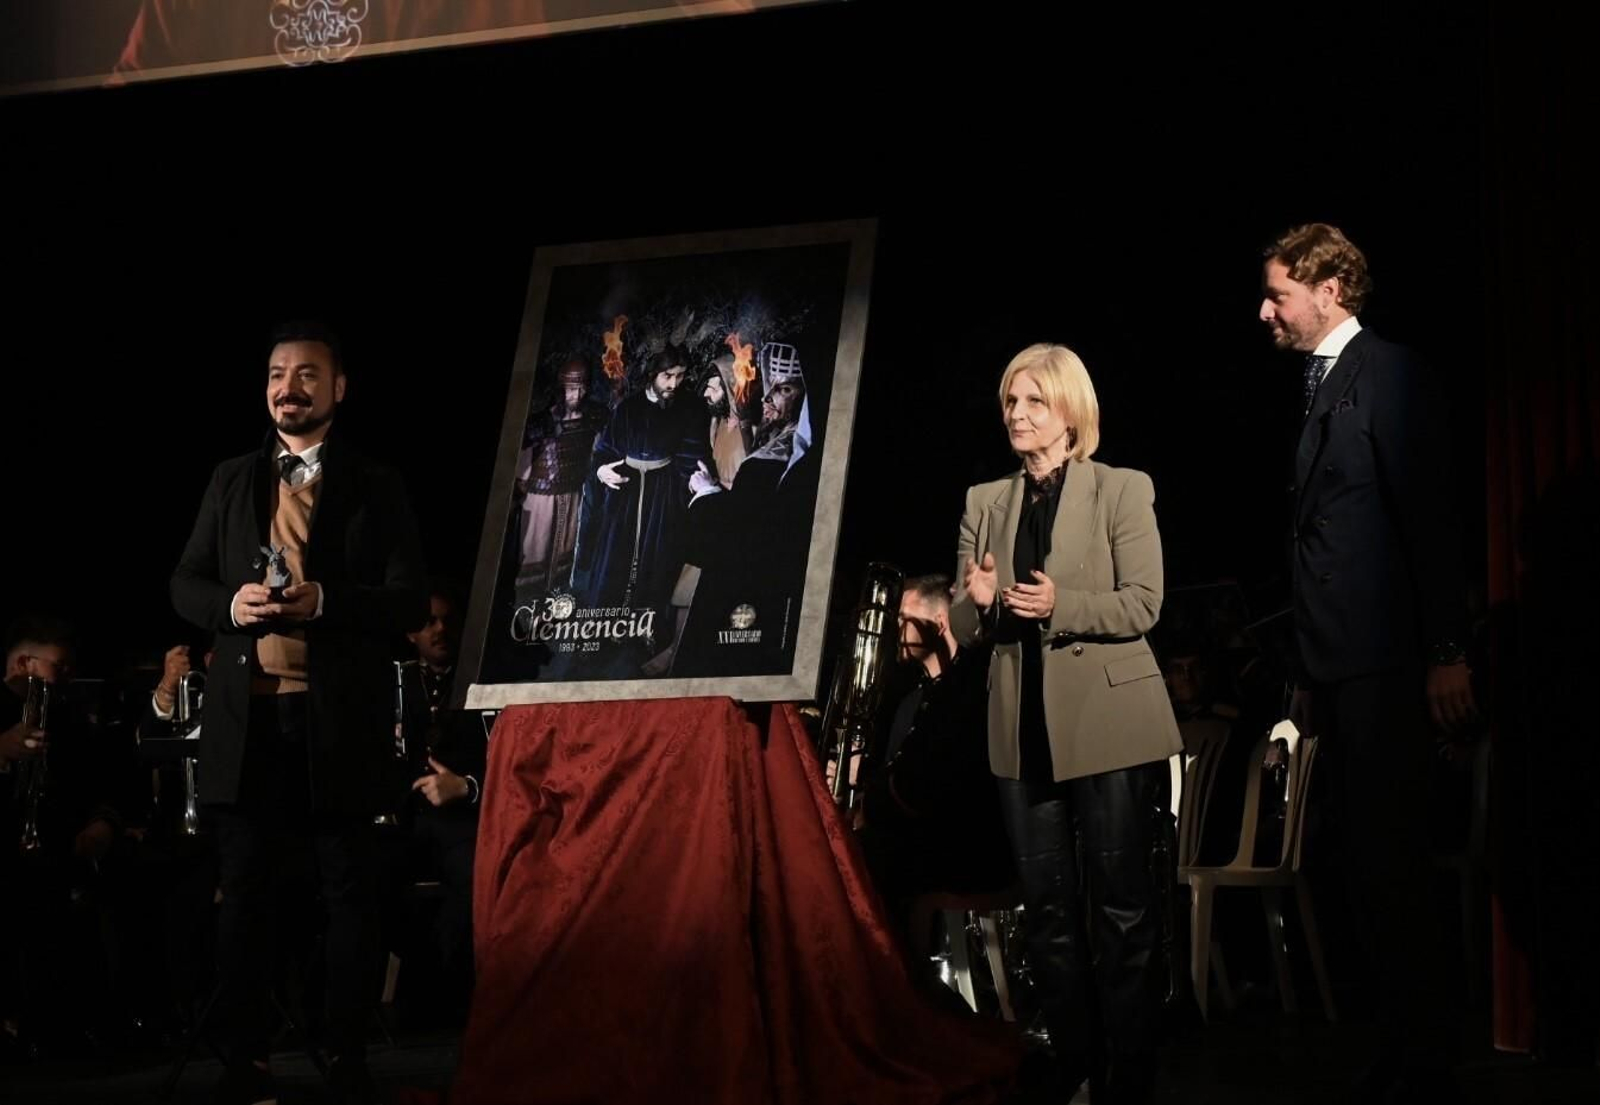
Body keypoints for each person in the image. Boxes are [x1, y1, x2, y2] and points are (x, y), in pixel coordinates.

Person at [170, 320, 427, 1105]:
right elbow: (184, 582)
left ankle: (345, 1053)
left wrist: (329, 600)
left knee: (348, 892)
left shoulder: (377, 483)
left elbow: (410, 598)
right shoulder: (230, 479)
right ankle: (244, 1060)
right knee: (246, 893)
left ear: (339, 387)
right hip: (248, 725)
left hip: (334, 726)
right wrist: (229, 604)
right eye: (279, 373)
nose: (290, 387)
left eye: (308, 374)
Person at [1260, 222, 1477, 1102]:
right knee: (1361, 861)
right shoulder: (1320, 388)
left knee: (1392, 861)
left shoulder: (1385, 374)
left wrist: (1448, 651)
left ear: (1330, 290)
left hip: (1388, 661)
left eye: (1277, 293)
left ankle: (1424, 1053)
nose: (1264, 309)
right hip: (1338, 666)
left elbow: (1428, 517)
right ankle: (1398, 1042)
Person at [949, 343, 1180, 1105]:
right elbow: (959, 616)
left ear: (1070, 410)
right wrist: (977, 603)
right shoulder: (985, 500)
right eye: (1010, 402)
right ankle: (1078, 1067)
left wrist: (1062, 606)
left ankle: (1132, 1074)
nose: (1017, 415)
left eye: (1034, 402)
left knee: (1120, 906)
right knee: (1046, 911)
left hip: (1110, 721)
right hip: (1022, 727)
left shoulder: (1121, 489)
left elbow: (1144, 602)